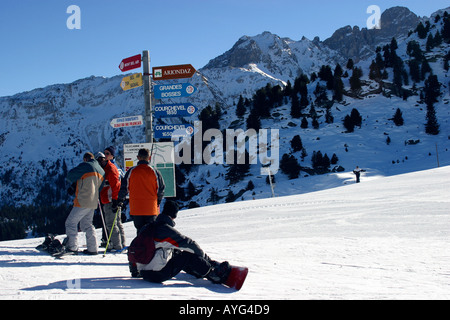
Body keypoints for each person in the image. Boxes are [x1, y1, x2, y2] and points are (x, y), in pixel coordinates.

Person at [132, 200, 232, 286]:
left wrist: (135, 270)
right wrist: (208, 261)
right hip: (157, 275)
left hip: (144, 273)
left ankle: (197, 271)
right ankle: (213, 274)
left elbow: (135, 247)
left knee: (175, 252)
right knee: (186, 256)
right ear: (174, 215)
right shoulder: (165, 230)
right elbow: (189, 244)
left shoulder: (147, 227)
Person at [64, 152, 105, 255]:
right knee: (87, 224)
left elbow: (70, 175)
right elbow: (100, 187)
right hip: (93, 201)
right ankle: (93, 248)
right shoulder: (101, 171)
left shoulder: (85, 166)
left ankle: (72, 247)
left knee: (71, 222)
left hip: (82, 200)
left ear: (85, 159)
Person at [118, 148, 165, 234]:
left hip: (136, 208)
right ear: (149, 157)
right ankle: (150, 247)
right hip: (151, 207)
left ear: (138, 157)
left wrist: (120, 200)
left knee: (140, 231)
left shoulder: (131, 171)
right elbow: (161, 188)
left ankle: (140, 246)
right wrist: (158, 201)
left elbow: (124, 188)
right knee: (151, 232)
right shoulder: (154, 172)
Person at [96, 152, 125, 251]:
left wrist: (114, 200)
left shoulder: (110, 169)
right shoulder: (107, 168)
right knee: (117, 222)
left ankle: (117, 246)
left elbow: (115, 185)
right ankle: (121, 244)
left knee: (111, 224)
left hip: (110, 200)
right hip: (109, 199)